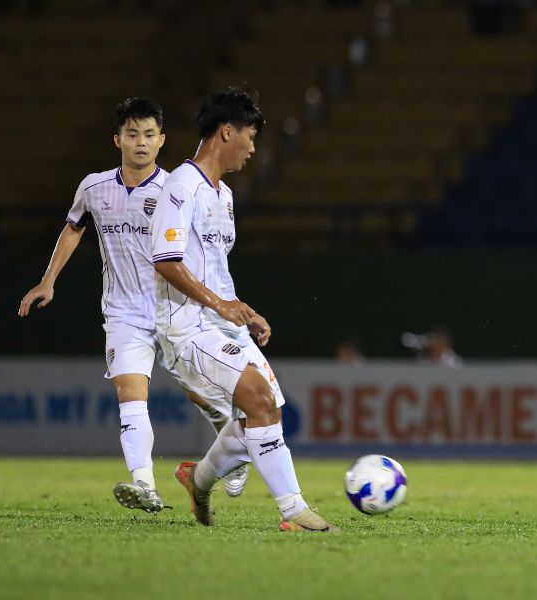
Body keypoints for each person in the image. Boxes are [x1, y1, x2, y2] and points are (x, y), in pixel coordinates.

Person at [17, 98, 248, 513]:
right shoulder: (93, 187)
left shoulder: (175, 188)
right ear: (117, 139)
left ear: (162, 140)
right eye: (131, 134)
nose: (140, 142)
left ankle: (228, 442)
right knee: (131, 394)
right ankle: (145, 485)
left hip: (174, 310)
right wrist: (48, 280)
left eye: (148, 134)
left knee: (204, 396)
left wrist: (220, 301)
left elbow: (206, 248)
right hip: (123, 313)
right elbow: (73, 228)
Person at [150, 88, 336, 532]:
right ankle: (293, 510)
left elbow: (213, 269)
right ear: (226, 132)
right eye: (249, 138)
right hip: (187, 327)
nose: (253, 149)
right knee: (257, 399)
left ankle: (198, 479)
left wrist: (242, 310)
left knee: (265, 409)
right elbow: (166, 262)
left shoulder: (224, 196)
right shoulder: (181, 185)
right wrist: (219, 304)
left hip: (222, 323)